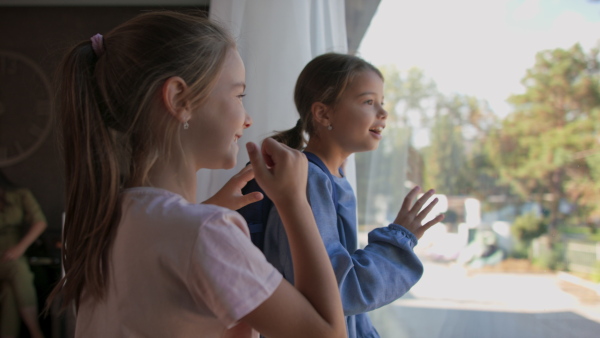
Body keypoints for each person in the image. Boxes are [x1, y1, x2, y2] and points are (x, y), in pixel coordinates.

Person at [46, 11, 346, 338]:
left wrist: (205, 210)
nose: (247, 119)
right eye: (238, 95)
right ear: (179, 99)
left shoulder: (107, 220)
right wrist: (294, 202)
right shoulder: (205, 233)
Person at [259, 53, 445, 337]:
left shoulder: (332, 178)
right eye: (369, 102)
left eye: (382, 103)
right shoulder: (308, 179)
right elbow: (339, 290)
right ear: (323, 114)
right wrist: (400, 238)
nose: (383, 113)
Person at [0, 170, 47, 338]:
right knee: (19, 270)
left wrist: (20, 247)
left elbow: (40, 222)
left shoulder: (20, 195)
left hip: (12, 253)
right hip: (11, 263)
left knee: (10, 293)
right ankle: (36, 332)